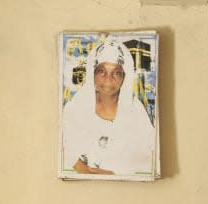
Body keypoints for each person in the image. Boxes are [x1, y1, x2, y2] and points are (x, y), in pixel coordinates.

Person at [61, 36, 157, 176]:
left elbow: (147, 158)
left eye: (116, 73)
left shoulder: (136, 112)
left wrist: (108, 172)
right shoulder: (75, 109)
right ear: (92, 74)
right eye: (101, 71)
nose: (108, 78)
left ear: (124, 76)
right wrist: (86, 169)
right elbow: (66, 154)